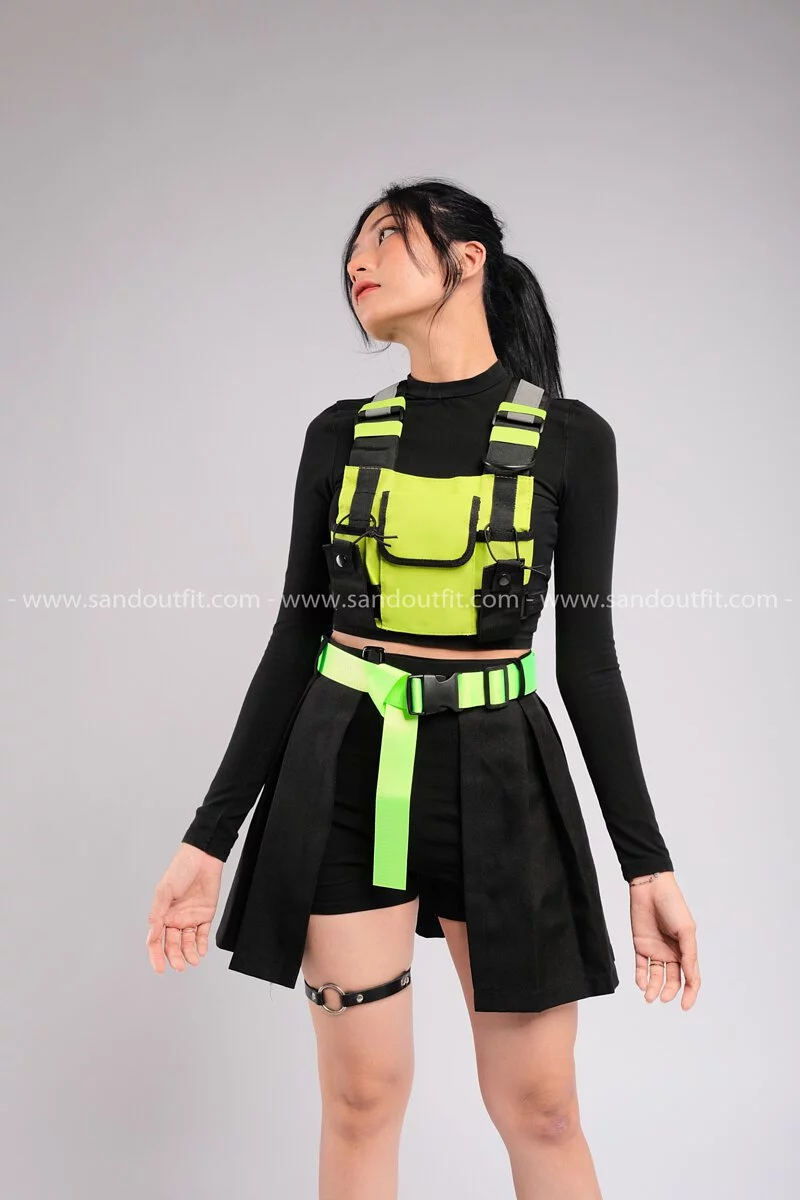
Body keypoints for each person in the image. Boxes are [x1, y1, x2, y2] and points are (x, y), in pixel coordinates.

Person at [146, 177, 700, 1198]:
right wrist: (206, 839)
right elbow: (295, 641)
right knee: (359, 1104)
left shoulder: (571, 439)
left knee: (541, 1110)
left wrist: (645, 864)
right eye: (351, 248)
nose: (355, 262)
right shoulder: (337, 436)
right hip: (342, 777)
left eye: (386, 237)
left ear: (466, 259)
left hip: (504, 780)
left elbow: (588, 662)